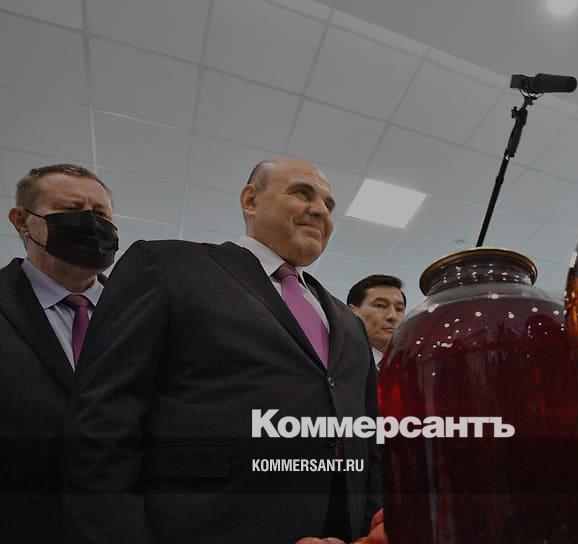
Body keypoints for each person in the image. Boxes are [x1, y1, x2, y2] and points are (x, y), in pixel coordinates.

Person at [63, 157, 380, 543]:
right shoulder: (168, 266)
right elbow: (104, 418)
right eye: (302, 193)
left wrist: (370, 525)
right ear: (250, 199)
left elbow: (369, 434)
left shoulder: (349, 323)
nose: (320, 211)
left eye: (329, 205)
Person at [0, 164, 117, 543]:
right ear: (22, 221)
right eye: (72, 209)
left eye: (101, 213)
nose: (91, 222)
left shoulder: (147, 312)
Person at [347, 275, 406, 370]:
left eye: (399, 309)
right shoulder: (335, 364)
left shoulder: (412, 368)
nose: (392, 316)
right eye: (380, 305)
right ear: (351, 312)